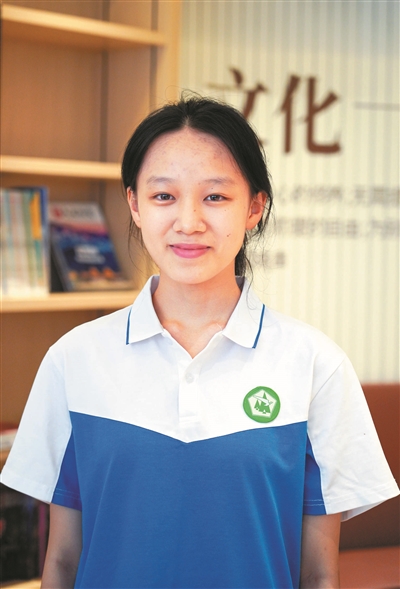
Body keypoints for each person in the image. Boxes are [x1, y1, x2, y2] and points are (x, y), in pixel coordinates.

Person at [1, 96, 398, 589]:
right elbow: (61, 562)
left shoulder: (316, 365)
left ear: (255, 207)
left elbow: (319, 575)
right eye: (164, 196)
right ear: (135, 205)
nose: (188, 222)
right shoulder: (73, 359)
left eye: (215, 197)